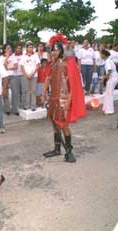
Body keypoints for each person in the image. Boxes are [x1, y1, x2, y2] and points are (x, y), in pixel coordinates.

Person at [41, 33, 86, 163]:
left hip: (64, 99)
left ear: (60, 50)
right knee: (54, 124)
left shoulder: (68, 63)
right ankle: (57, 149)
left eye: (55, 50)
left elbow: (73, 85)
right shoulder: (52, 64)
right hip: (53, 98)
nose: (53, 52)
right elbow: (48, 79)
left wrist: (69, 102)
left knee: (64, 126)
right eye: (52, 50)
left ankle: (69, 151)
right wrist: (44, 95)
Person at [20, 42, 40, 111]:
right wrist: (26, 75)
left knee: (33, 91)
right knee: (27, 90)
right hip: (26, 76)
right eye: (29, 47)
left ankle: (33, 106)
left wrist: (32, 74)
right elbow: (22, 66)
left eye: (31, 47)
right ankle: (26, 105)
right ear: (26, 48)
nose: (30, 48)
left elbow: (38, 65)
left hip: (34, 76)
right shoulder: (23, 56)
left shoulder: (35, 55)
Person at [100, 49, 118, 115]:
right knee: (108, 93)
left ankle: (110, 110)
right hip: (114, 77)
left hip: (113, 78)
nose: (100, 55)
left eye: (101, 54)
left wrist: (103, 78)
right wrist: (104, 78)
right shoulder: (109, 60)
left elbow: (109, 71)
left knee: (109, 94)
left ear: (104, 55)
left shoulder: (108, 61)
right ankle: (106, 108)